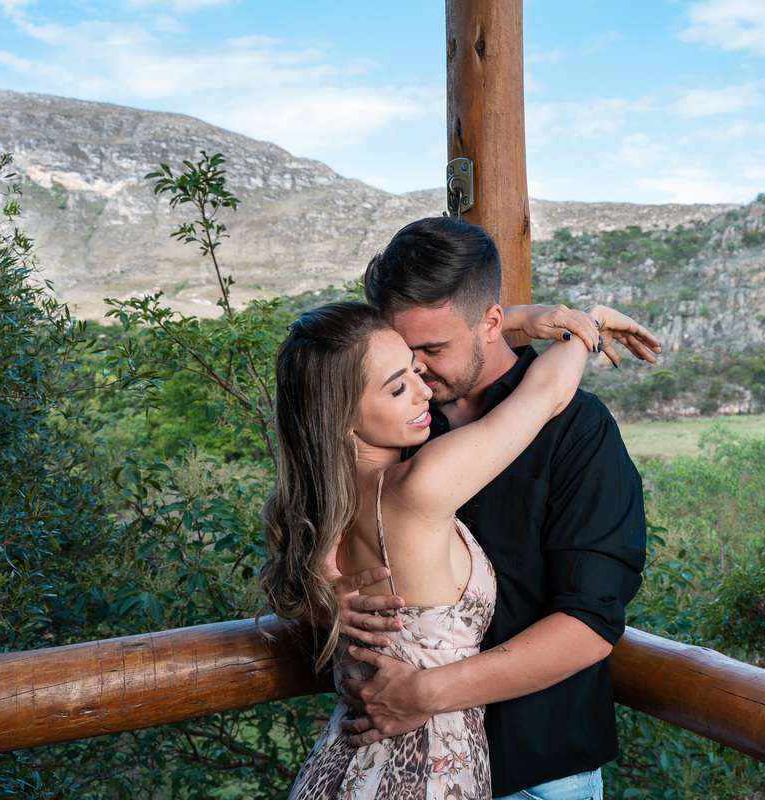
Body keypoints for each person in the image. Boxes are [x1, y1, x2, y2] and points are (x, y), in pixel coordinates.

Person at [332, 217, 653, 800]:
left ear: (491, 321)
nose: (419, 372)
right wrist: (325, 595)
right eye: (405, 354)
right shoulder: (394, 426)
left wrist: (424, 693)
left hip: (535, 770)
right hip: (401, 762)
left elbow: (590, 624)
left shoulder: (576, 429)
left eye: (433, 348)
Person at [261, 300, 596, 799]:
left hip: (340, 769)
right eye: (397, 387)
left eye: (417, 370)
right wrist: (588, 322)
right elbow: (547, 392)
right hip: (421, 776)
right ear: (344, 419)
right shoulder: (418, 486)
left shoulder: (315, 510)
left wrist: (510, 319)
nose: (425, 391)